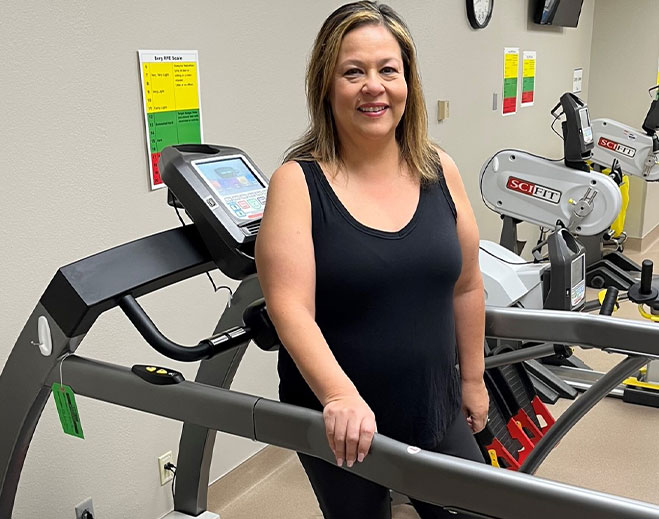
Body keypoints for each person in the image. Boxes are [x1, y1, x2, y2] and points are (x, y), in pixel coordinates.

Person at [255, 2, 488, 517]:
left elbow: (467, 285)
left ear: (408, 82)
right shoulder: (298, 183)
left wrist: (472, 379)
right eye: (353, 71)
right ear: (327, 85)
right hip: (340, 421)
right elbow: (289, 307)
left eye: (388, 70)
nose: (373, 86)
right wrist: (339, 396)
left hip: (436, 404)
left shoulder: (439, 169)